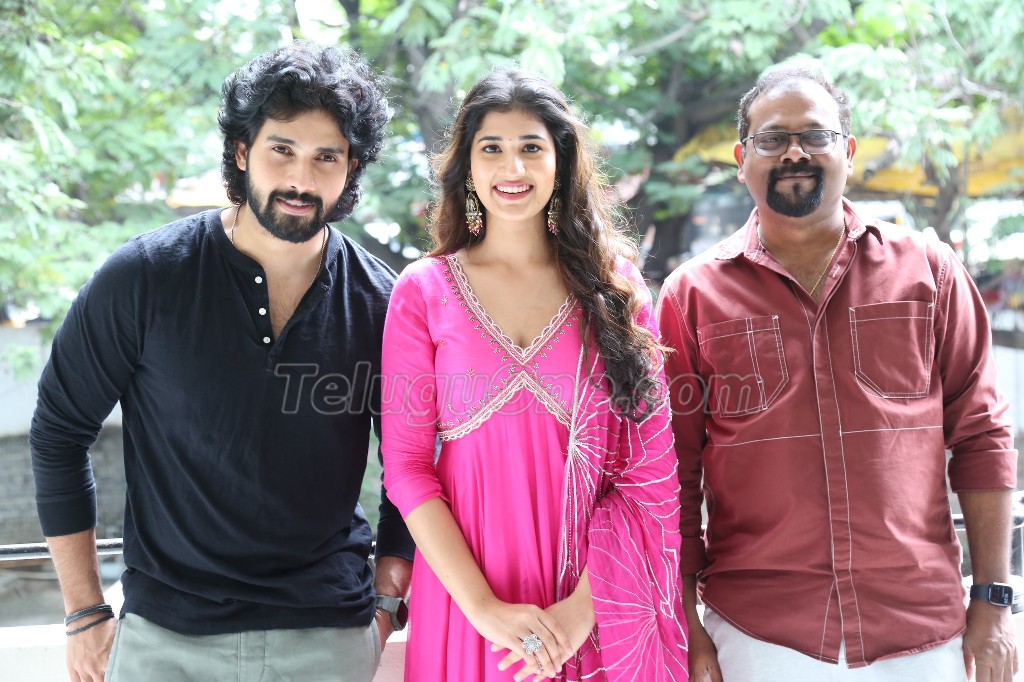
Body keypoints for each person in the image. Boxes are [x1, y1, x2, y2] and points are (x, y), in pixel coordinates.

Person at [30, 42, 414, 682]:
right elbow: (58, 432)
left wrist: (387, 602)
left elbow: (414, 464)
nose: (301, 179)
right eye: (282, 149)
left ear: (351, 168)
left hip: (328, 639)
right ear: (241, 152)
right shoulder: (144, 278)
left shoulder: (384, 303)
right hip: (164, 641)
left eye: (326, 157)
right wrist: (84, 612)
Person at [656, 65, 1019, 682]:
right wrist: (685, 625)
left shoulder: (930, 272)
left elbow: (983, 436)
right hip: (758, 635)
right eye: (773, 139)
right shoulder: (691, 296)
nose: (794, 152)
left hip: (921, 633)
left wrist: (993, 599)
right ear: (742, 160)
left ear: (848, 152)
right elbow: (674, 472)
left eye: (815, 135)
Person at [380, 69, 689, 681]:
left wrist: (580, 613)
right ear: (467, 166)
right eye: (491, 148)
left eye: (531, 147)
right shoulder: (425, 290)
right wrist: (484, 609)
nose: (512, 167)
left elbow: (648, 471)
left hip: (592, 596)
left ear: (561, 162)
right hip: (466, 599)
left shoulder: (615, 290)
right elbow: (408, 468)